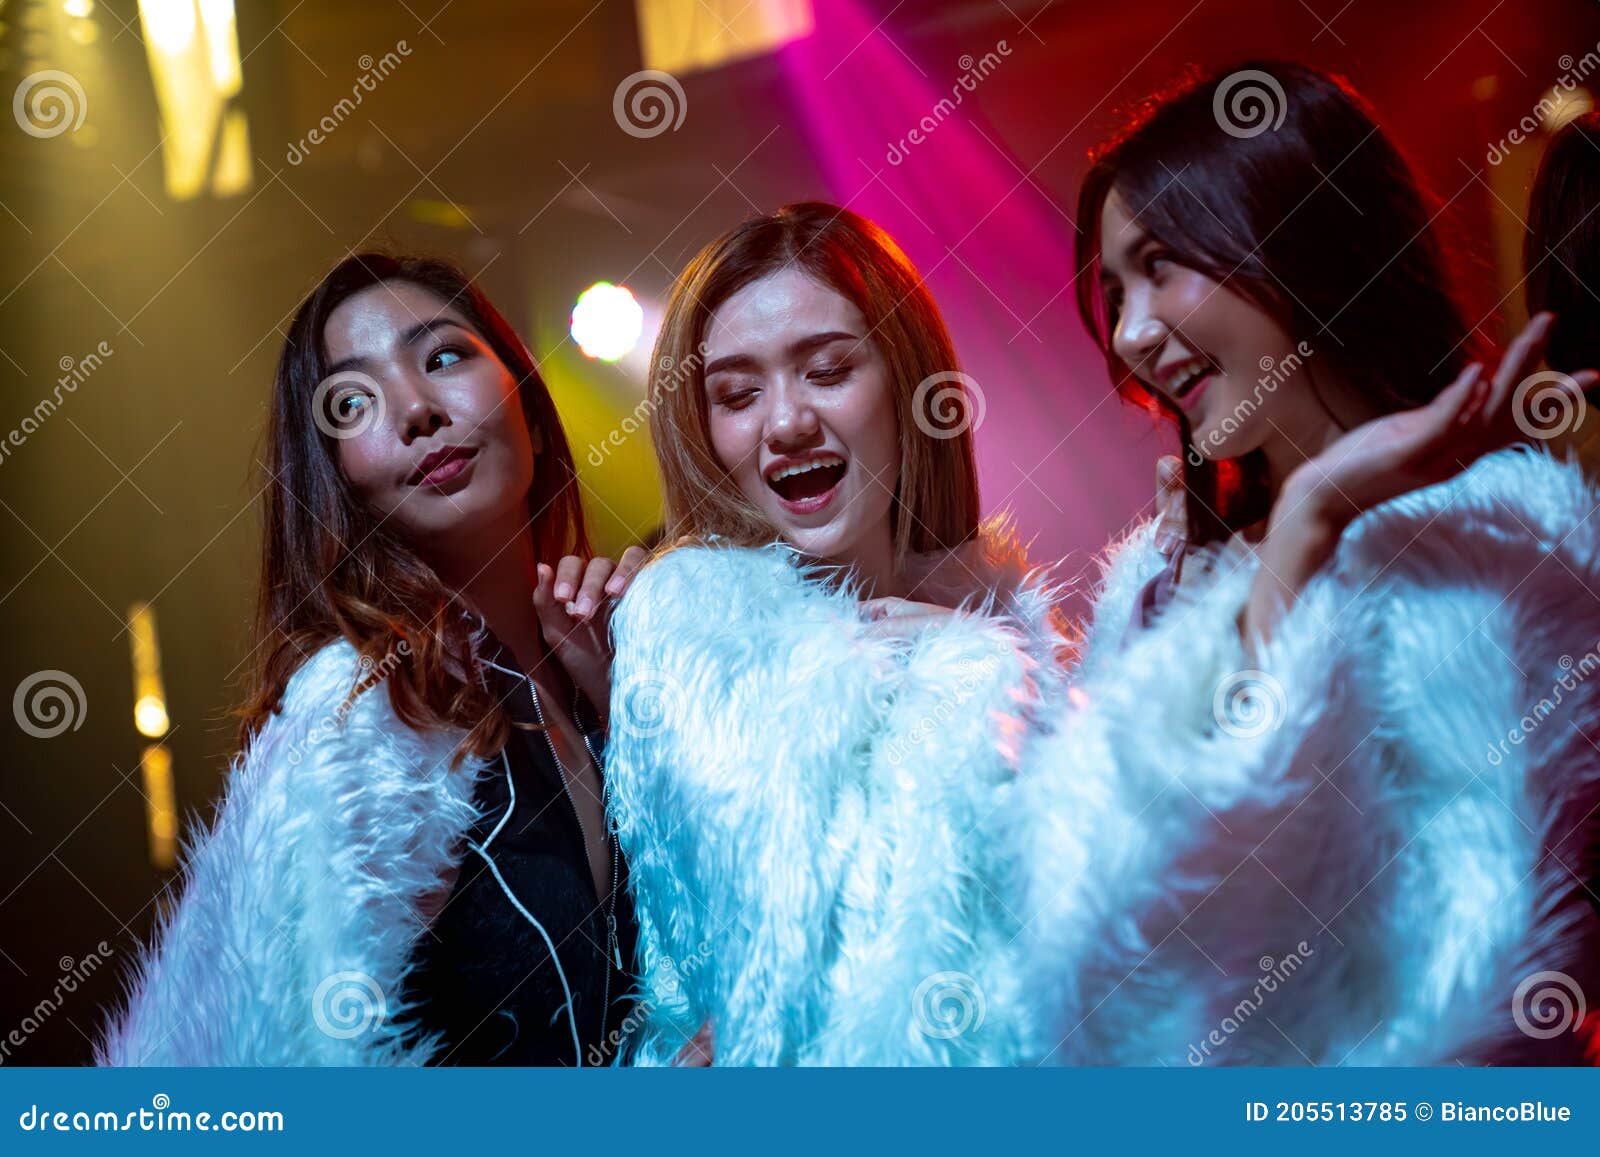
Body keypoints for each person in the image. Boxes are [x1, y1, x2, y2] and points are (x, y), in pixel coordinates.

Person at [1015, 61, 1600, 1065]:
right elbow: (1095, 943)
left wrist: (1310, 525)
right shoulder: (1151, 587)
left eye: (1159, 265)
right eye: (1114, 292)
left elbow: (1474, 979)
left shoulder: (1499, 536)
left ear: (1295, 234)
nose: (1132, 332)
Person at [98, 254, 648, 1066]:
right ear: (338, 482)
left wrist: (628, 705)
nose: (418, 410)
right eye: (353, 401)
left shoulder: (607, 673)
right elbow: (311, 1079)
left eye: (444, 357)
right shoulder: (363, 721)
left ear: (529, 412)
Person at [604, 203, 1065, 1065]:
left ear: (905, 377)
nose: (784, 424)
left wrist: (993, 678)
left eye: (827, 370)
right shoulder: (683, 652)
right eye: (738, 394)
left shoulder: (1009, 650)